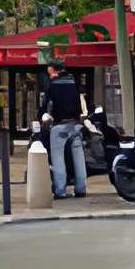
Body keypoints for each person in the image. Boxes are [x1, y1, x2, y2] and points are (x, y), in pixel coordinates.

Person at [41, 63, 88, 199]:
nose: (50, 75)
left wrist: (42, 117)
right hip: (75, 125)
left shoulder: (53, 84)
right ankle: (81, 189)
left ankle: (60, 190)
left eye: (50, 72)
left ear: (54, 71)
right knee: (79, 158)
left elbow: (46, 105)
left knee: (58, 158)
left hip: (59, 125)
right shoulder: (74, 82)